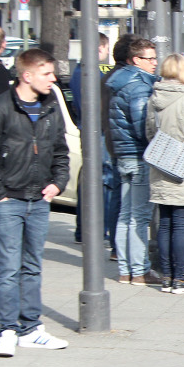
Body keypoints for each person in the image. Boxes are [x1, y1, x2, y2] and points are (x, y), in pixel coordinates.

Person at [0, 48, 70, 356]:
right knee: (8, 269)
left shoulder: (50, 106)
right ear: (27, 76)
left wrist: (58, 183)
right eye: (47, 74)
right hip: (10, 201)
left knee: (32, 266)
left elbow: (60, 150)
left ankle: (31, 328)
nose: (53, 79)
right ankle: (7, 330)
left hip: (40, 199)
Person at [146, 55, 184, 293]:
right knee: (181, 224)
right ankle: (181, 277)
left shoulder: (154, 98)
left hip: (161, 163)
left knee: (165, 223)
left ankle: (167, 276)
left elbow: (149, 131)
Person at [106, 35, 160, 284]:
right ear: (136, 59)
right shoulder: (139, 85)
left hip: (123, 154)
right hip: (138, 155)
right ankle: (139, 270)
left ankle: (126, 270)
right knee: (139, 216)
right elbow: (142, 125)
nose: (154, 63)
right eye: (150, 58)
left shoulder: (120, 81)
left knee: (125, 215)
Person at [72, 33, 119, 252]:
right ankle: (102, 229)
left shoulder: (78, 71)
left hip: (86, 130)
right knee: (105, 179)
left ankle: (83, 229)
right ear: (100, 49)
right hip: (99, 132)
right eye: (106, 49)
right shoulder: (96, 74)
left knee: (89, 179)